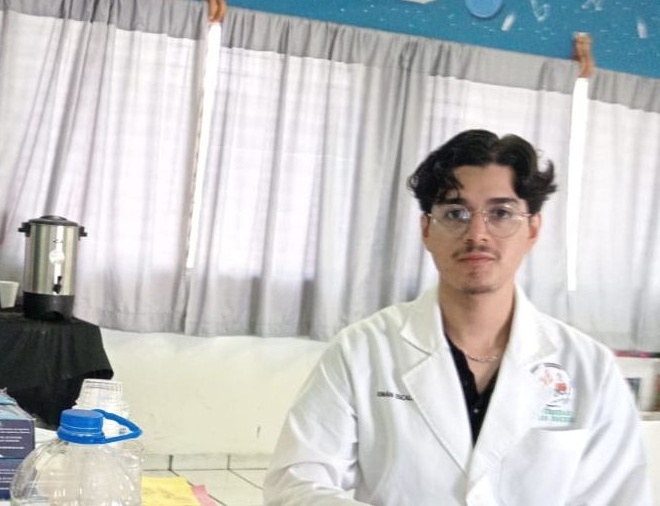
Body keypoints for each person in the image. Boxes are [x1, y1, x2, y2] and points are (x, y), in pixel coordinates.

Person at [264, 129, 651, 506]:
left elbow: (621, 497)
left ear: (532, 229)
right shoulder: (362, 350)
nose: (477, 233)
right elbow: (295, 482)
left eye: (501, 213)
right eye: (456, 213)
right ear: (426, 229)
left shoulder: (590, 367)